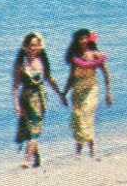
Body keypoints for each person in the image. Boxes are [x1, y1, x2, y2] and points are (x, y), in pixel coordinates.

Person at [12, 32, 65, 168]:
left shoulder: (42, 62)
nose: (34, 48)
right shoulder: (20, 65)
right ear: (25, 47)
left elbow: (50, 80)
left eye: (36, 45)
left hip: (39, 99)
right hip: (25, 97)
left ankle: (26, 160)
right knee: (27, 129)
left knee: (35, 126)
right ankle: (37, 158)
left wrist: (60, 94)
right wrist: (16, 105)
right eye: (31, 46)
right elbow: (16, 86)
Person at [62, 28, 112, 158]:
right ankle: (80, 150)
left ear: (89, 39)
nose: (83, 41)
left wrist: (108, 93)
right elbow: (71, 77)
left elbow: (106, 74)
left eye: (85, 38)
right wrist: (64, 93)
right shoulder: (76, 58)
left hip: (91, 90)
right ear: (77, 41)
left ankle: (92, 149)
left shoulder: (95, 55)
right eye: (80, 39)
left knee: (86, 116)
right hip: (77, 91)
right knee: (78, 119)